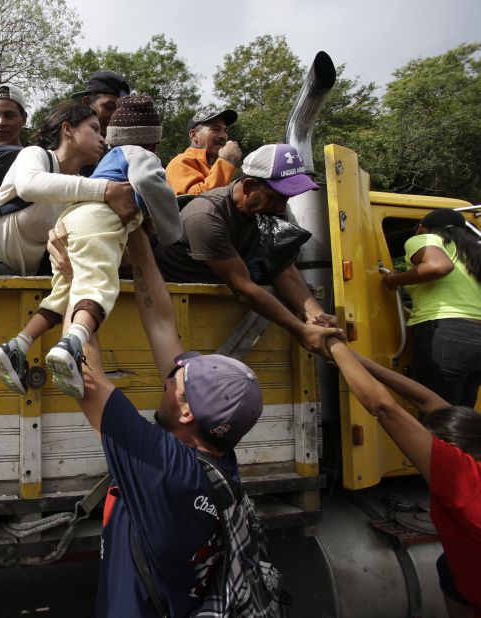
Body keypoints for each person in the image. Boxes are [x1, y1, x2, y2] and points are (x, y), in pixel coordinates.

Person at [56, 224, 268, 616]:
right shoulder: (215, 463)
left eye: (177, 380)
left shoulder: (163, 470)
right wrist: (137, 237)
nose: (169, 376)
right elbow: (162, 325)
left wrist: (77, 279)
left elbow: (82, 374)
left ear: (187, 413)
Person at [0, 95, 180, 398]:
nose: (101, 138)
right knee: (99, 287)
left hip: (70, 224)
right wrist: (171, 229)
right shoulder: (136, 155)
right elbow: (148, 180)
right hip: (92, 223)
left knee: (64, 294)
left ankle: (17, 345)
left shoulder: (97, 169)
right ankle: (71, 345)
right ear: (153, 143)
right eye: (94, 128)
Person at [325, 339, 481, 617]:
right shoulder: (473, 441)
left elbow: (384, 408)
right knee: (448, 565)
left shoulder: (463, 477)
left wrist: (334, 345)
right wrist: (361, 361)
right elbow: (430, 403)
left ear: (451, 448)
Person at [154, 143, 343, 357]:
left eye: (286, 198)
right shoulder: (206, 216)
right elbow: (242, 287)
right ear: (249, 185)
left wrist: (317, 317)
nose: (282, 207)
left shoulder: (266, 210)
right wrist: (301, 330)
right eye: (276, 197)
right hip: (181, 309)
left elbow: (282, 267)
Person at [0, 100, 137, 278]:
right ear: (67, 129)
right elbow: (29, 186)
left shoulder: (79, 186)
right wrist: (106, 189)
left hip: (23, 277)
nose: (102, 138)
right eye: (94, 128)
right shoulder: (35, 155)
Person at [381, 208, 481, 408]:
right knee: (461, 419)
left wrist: (394, 280)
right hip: (477, 338)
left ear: (421, 228)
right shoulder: (471, 253)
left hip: (446, 333)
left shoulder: (426, 238)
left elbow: (438, 266)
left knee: (438, 417)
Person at [166, 106, 242, 196]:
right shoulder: (180, 162)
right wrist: (226, 161)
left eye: (225, 131)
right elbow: (193, 200)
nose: (223, 136)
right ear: (193, 135)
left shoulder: (217, 164)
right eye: (215, 129)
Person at [71, 71, 131, 139]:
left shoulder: (126, 148)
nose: (116, 116)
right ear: (87, 103)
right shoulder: (67, 143)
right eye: (109, 107)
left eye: (121, 110)